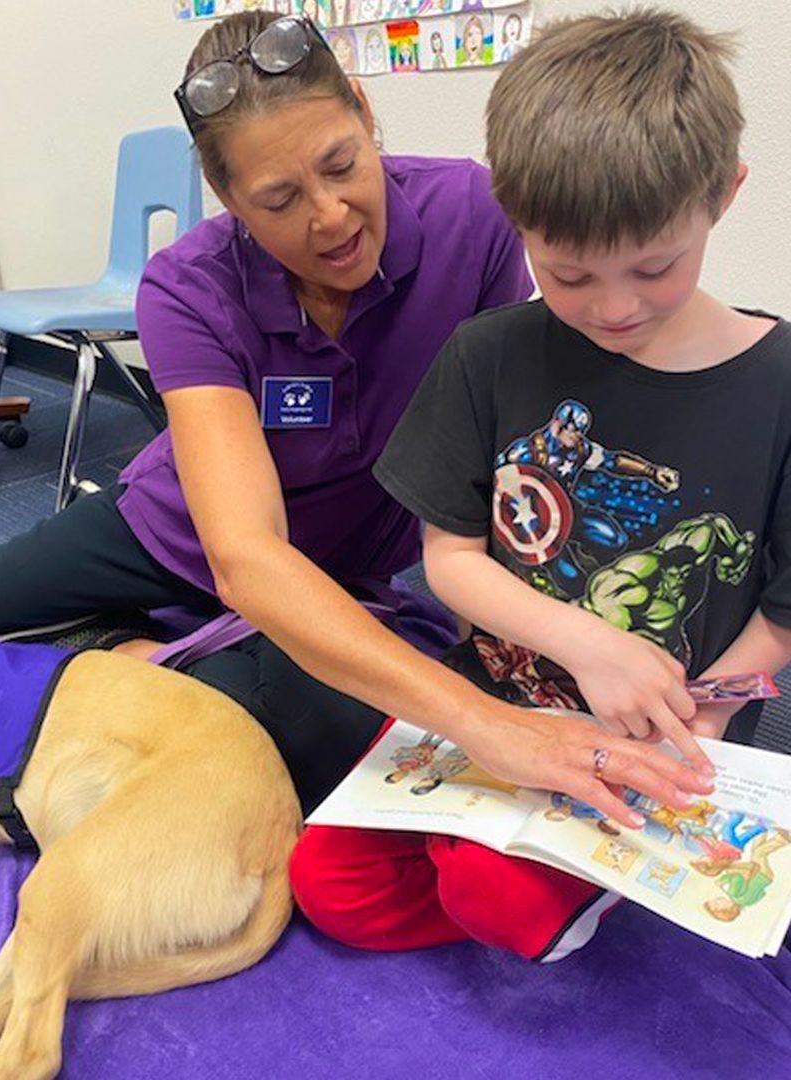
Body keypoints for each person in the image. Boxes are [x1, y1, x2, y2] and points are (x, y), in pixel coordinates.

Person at [0, 11, 708, 830]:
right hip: (176, 539)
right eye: (279, 199)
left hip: (343, 576)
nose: (331, 217)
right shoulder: (187, 288)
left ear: (368, 119)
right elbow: (247, 557)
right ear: (226, 198)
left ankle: (133, 656)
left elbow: (490, 461)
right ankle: (123, 636)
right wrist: (488, 725)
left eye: (343, 165)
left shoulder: (475, 219)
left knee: (263, 754)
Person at [292, 8, 779, 962]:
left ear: (725, 195)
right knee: (327, 885)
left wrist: (702, 713)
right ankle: (522, 867)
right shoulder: (491, 354)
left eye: (654, 267)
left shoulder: (778, 383)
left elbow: (786, 613)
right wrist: (584, 645)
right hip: (500, 702)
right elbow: (451, 561)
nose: (614, 308)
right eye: (567, 274)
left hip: (673, 730)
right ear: (516, 223)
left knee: (493, 896)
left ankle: (536, 880)